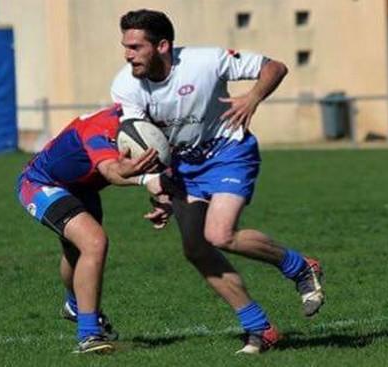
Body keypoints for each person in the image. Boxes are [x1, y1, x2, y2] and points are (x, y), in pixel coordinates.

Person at [111, 9, 325, 354]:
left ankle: (300, 267)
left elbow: (275, 67)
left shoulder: (205, 61)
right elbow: (140, 142)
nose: (128, 54)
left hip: (229, 153)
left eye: (136, 47)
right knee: (196, 248)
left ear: (162, 45)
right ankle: (260, 328)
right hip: (183, 167)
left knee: (219, 234)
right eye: (125, 46)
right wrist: (158, 188)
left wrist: (253, 97)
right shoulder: (125, 85)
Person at [15, 105, 162, 354]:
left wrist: (165, 196)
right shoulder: (101, 127)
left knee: (77, 252)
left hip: (83, 188)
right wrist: (147, 179)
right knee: (94, 242)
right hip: (41, 183)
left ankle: (74, 306)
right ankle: (89, 336)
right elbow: (110, 171)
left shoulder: (159, 114)